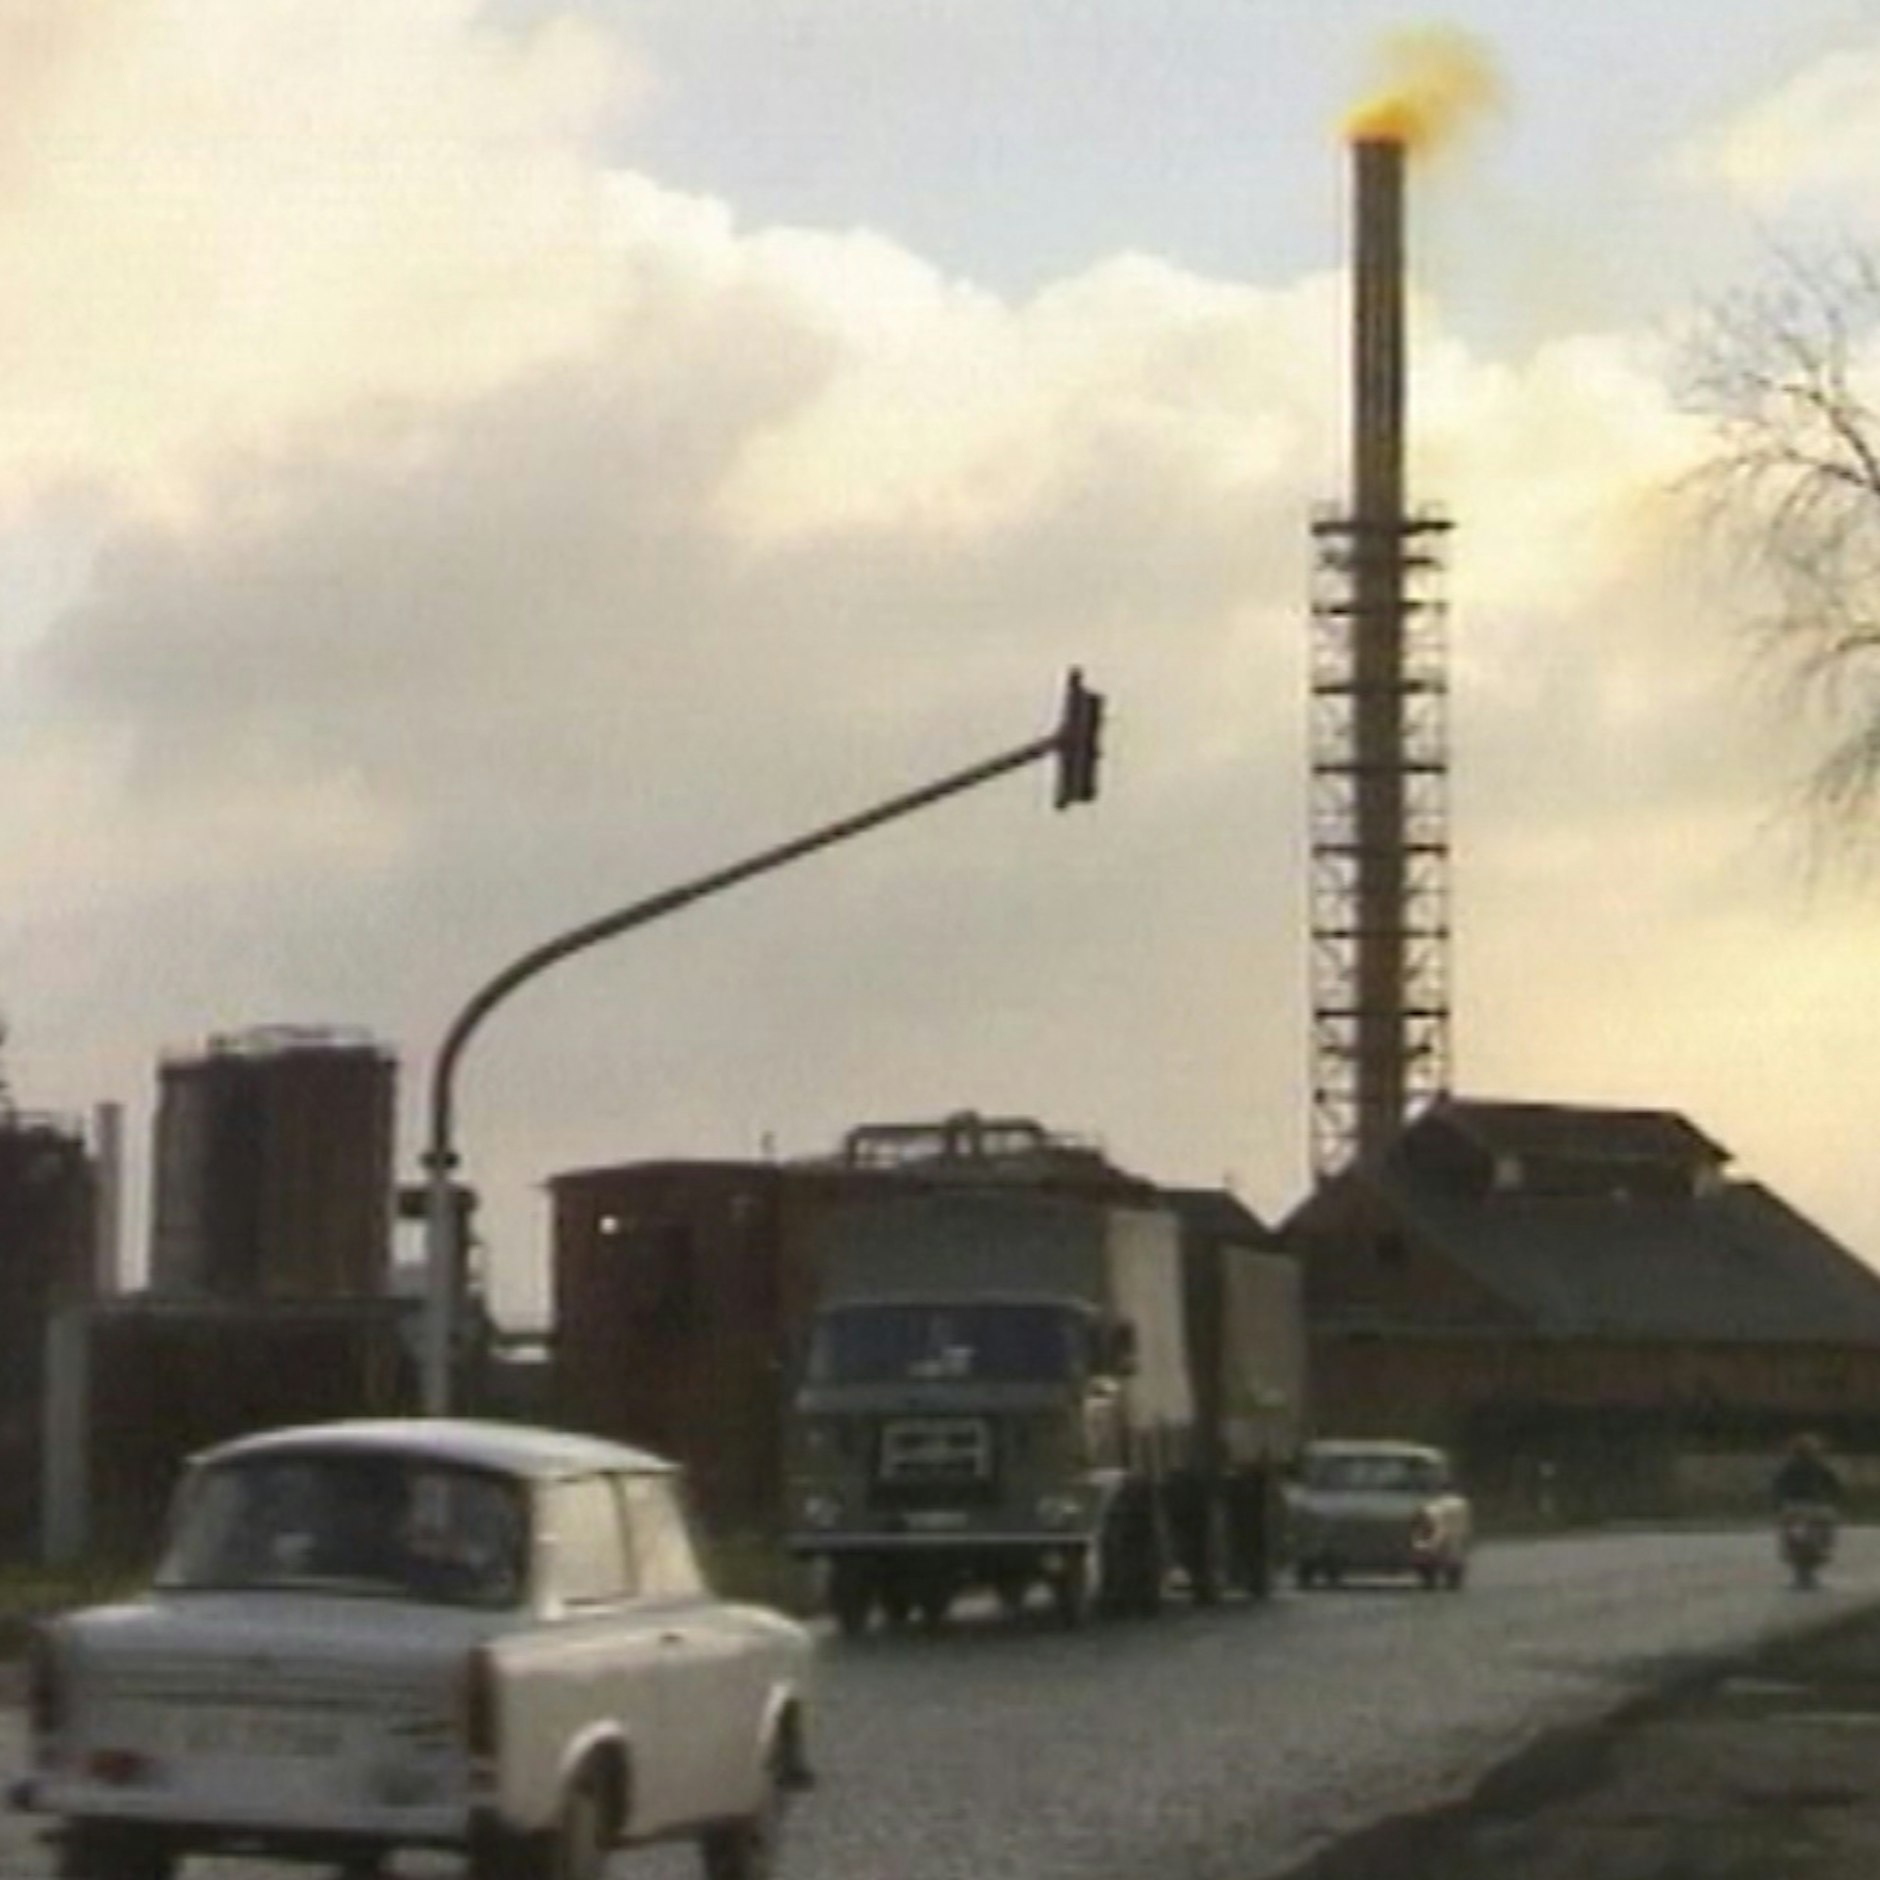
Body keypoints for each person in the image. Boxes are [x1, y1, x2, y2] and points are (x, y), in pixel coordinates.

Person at [1772, 1432, 1844, 1510]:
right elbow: (1778, 1488)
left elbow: (1834, 1487)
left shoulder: (1819, 1469)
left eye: (1807, 1450)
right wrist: (1781, 1501)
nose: (1804, 1454)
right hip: (1793, 1503)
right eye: (1801, 1451)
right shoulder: (1789, 1470)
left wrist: (1830, 1500)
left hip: (1816, 1503)